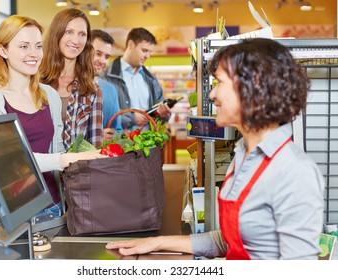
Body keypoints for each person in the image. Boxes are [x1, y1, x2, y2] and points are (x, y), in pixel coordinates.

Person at [106, 38, 325, 260]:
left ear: (252, 87)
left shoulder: (294, 171)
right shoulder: (242, 154)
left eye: (219, 83)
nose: (212, 95)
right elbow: (228, 241)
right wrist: (157, 242)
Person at [0, 15, 104, 219]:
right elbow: (7, 160)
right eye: (24, 46)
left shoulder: (49, 96)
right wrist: (67, 159)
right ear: (3, 50)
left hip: (52, 205)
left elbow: (57, 147)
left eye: (38, 46)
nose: (33, 54)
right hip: (11, 211)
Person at [39, 8, 104, 149]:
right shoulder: (35, 81)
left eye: (82, 34)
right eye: (69, 32)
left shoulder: (92, 89)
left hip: (76, 169)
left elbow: (95, 145)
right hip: (39, 167)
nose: (76, 40)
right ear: (57, 33)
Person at [103, 27, 171, 131]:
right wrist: (132, 118)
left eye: (150, 52)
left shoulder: (150, 78)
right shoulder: (107, 76)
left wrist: (163, 114)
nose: (147, 56)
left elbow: (161, 112)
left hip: (148, 143)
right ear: (131, 45)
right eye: (144, 50)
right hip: (121, 144)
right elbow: (103, 113)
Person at [91, 29, 122, 139]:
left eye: (107, 57)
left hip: (106, 154)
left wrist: (113, 136)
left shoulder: (111, 90)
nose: (103, 61)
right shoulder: (69, 86)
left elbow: (118, 129)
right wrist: (96, 137)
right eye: (98, 54)